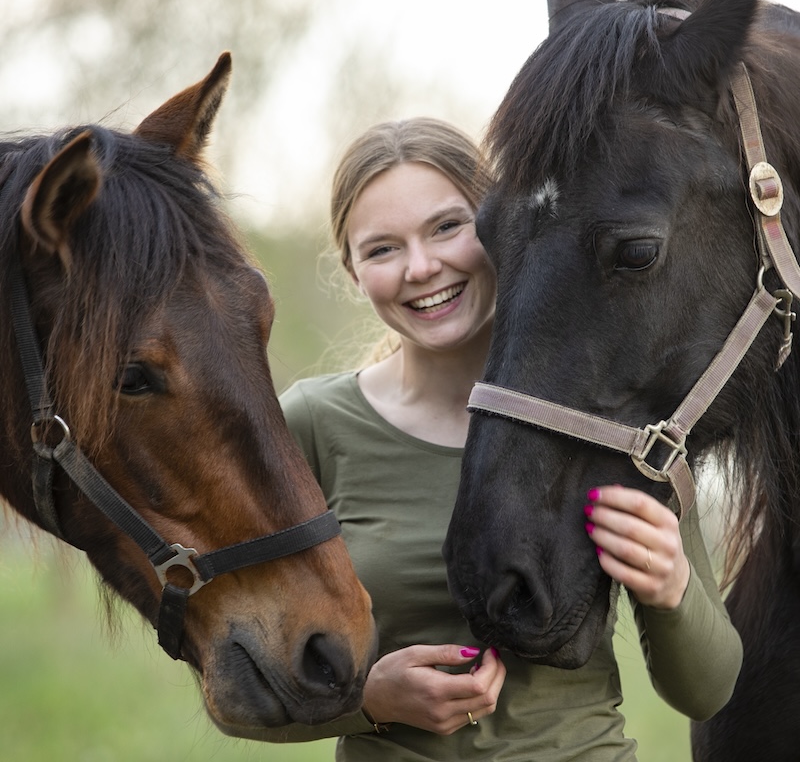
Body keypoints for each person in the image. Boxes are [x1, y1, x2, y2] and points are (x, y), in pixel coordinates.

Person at [238, 117, 742, 760]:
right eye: (382, 249)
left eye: (447, 227)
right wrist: (369, 703)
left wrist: (673, 589)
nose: (422, 267)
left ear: (506, 229)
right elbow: (238, 687)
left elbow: (708, 691)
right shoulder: (311, 425)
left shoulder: (611, 410)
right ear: (354, 273)